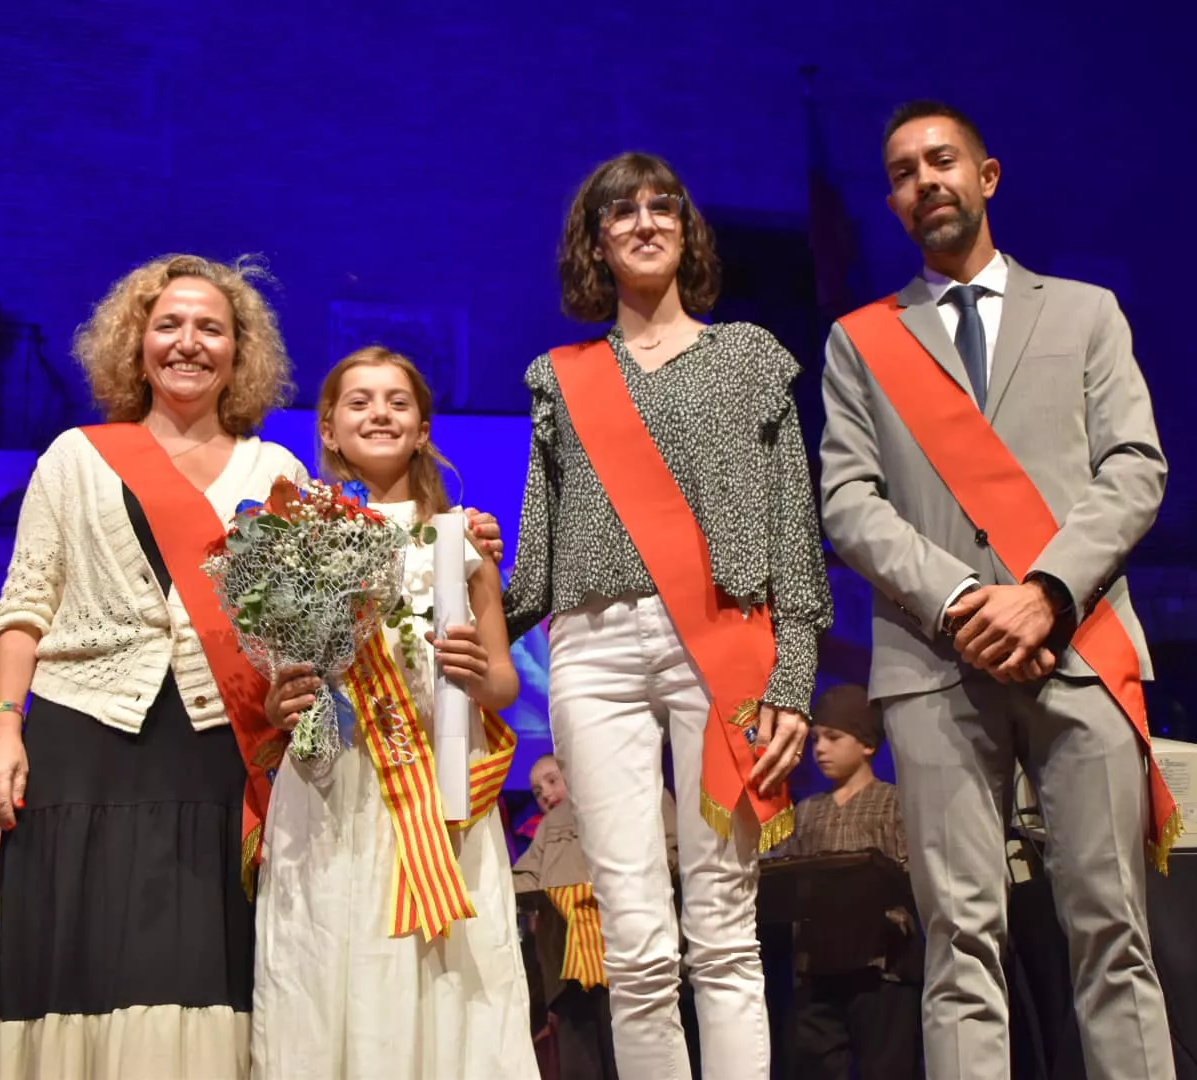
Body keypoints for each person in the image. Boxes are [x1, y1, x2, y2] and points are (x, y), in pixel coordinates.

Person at [818, 99, 1177, 1080]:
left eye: (942, 160)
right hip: (935, 665)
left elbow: (1136, 467)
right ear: (892, 203)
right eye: (901, 171)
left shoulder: (1087, 311)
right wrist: (965, 602)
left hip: (1081, 650)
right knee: (959, 941)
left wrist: (1047, 591)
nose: (924, 180)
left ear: (988, 175)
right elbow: (847, 500)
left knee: (1113, 932)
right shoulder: (859, 342)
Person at [502, 151, 832, 1080]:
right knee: (638, 942)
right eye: (622, 212)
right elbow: (534, 558)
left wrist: (794, 681)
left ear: (686, 232)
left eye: (663, 208)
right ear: (596, 242)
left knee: (725, 933)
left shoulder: (749, 356)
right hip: (593, 650)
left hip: (721, 644)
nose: (645, 222)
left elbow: (792, 532)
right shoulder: (560, 380)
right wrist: (440, 593)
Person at [0, 254, 310, 1079]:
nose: (188, 344)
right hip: (76, 736)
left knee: (197, 955)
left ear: (240, 351)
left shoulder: (276, 472)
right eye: (169, 325)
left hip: (215, 748)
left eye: (210, 328)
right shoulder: (74, 457)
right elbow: (24, 607)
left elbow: (295, 632)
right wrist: (1, 731)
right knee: (72, 948)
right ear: (137, 342)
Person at [251, 346, 538, 1079]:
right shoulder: (297, 538)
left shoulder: (462, 537)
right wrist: (285, 699)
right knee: (327, 954)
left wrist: (481, 676)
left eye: (397, 402)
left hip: (438, 787)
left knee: (442, 970)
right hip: (335, 789)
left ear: (422, 428)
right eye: (359, 401)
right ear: (328, 427)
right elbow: (284, 675)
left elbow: (504, 681)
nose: (379, 413)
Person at [775, 685, 921, 1080]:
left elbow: (913, 877)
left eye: (834, 738)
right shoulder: (806, 812)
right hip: (818, 969)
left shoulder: (895, 802)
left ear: (867, 744)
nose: (820, 748)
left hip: (881, 970)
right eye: (817, 738)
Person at [513, 755, 678, 1080]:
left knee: (636, 1064)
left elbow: (672, 853)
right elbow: (522, 878)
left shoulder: (644, 796)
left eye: (551, 779)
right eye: (536, 791)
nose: (545, 793)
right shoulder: (549, 826)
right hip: (569, 974)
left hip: (630, 964)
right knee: (580, 1069)